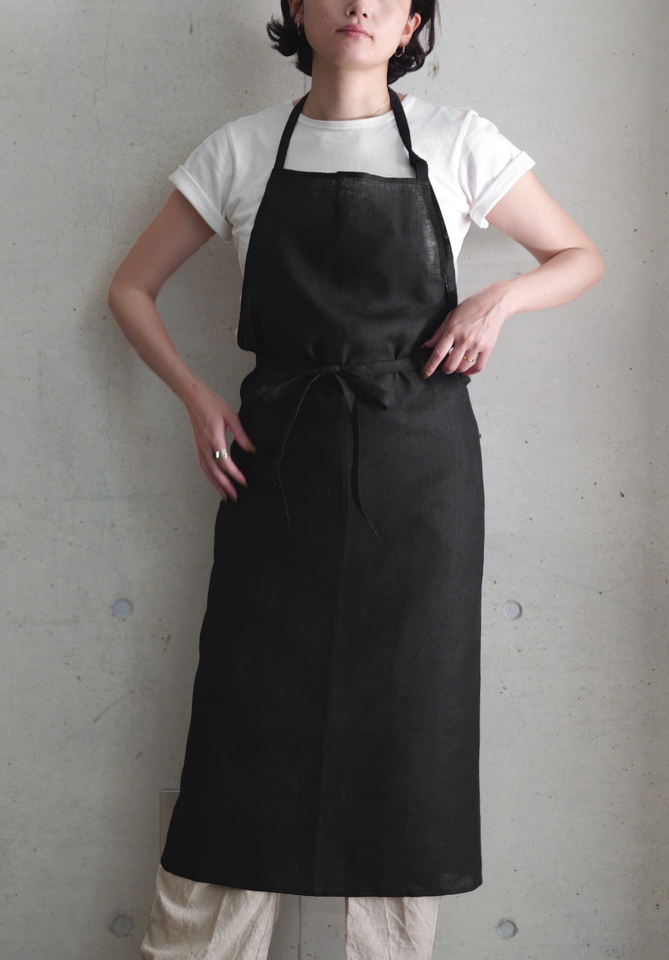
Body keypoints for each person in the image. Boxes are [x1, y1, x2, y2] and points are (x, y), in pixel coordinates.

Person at [106, 1, 604, 958]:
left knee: (409, 741)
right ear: (298, 8)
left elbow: (579, 256)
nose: (361, 5)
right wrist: (196, 398)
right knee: (243, 735)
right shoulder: (242, 150)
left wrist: (499, 299)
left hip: (422, 485)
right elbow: (130, 288)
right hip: (276, 474)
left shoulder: (459, 142)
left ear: (412, 21)